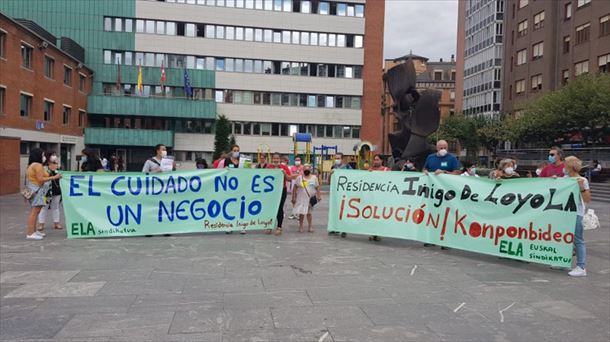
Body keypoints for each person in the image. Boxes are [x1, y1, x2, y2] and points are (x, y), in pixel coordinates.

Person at [422, 140, 459, 249]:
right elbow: (425, 168)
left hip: (447, 193)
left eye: (445, 147)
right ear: (437, 148)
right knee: (432, 216)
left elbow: (457, 173)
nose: (443, 150)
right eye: (441, 148)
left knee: (446, 216)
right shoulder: (430, 158)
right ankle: (430, 238)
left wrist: (444, 172)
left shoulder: (452, 158)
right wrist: (424, 171)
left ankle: (445, 241)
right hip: (433, 193)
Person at [24, 148, 61, 240]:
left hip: (33, 190)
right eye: (43, 155)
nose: (44, 157)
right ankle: (30, 233)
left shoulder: (31, 165)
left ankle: (33, 231)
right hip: (37, 191)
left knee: (36, 211)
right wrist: (54, 177)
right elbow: (41, 179)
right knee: (34, 212)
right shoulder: (38, 166)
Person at [564, 156, 591, 277]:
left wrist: (581, 187)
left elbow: (587, 199)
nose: (564, 166)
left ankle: (581, 266)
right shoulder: (564, 179)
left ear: (570, 166)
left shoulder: (582, 180)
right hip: (564, 213)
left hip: (576, 213)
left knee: (578, 239)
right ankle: (562, 261)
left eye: (565, 164)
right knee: (564, 237)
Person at [266, 153, 294, 235]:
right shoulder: (269, 167)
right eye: (274, 158)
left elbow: (289, 179)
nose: (276, 160)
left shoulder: (284, 167)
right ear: (272, 159)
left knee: (279, 208)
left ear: (280, 159)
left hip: (281, 190)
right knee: (270, 208)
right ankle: (269, 225)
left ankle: (279, 226)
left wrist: (284, 174)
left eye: (277, 158)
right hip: (271, 191)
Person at [37, 153, 63, 233]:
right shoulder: (43, 168)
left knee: (56, 207)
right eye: (53, 161)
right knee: (43, 208)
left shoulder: (59, 168)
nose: (55, 163)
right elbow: (42, 179)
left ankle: (56, 223)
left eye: (55, 162)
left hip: (57, 191)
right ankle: (41, 224)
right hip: (46, 192)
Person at [291, 164, 320, 233]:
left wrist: (319, 196)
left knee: (309, 213)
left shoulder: (314, 178)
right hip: (301, 199)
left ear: (310, 170)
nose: (307, 170)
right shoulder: (299, 178)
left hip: (310, 198)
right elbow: (295, 187)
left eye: (308, 169)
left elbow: (317, 187)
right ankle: (301, 226)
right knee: (301, 213)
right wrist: (293, 197)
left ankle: (310, 226)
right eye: (305, 169)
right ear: (303, 170)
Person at [329, 153, 352, 237]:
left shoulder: (347, 167)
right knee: (335, 211)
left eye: (338, 158)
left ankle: (344, 229)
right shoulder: (333, 167)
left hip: (345, 193)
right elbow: (329, 181)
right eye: (335, 158)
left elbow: (353, 177)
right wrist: (330, 174)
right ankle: (334, 228)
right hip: (335, 192)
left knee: (344, 211)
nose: (336, 160)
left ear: (342, 159)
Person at [368, 155, 389, 241]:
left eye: (377, 159)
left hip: (382, 197)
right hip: (372, 197)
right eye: (374, 160)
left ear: (381, 161)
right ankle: (372, 232)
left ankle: (378, 233)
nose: (375, 161)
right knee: (371, 215)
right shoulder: (370, 170)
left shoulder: (386, 170)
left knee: (379, 216)